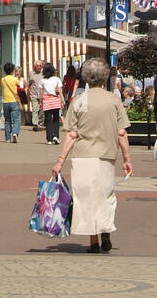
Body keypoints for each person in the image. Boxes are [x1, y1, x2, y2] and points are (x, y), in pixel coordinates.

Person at [52, 57, 132, 254]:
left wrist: (60, 161)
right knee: (106, 196)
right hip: (106, 155)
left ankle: (93, 241)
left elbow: (72, 134)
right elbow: (122, 133)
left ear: (86, 78)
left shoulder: (79, 101)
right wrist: (127, 159)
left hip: (83, 157)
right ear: (105, 78)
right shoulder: (114, 100)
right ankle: (105, 231)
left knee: (86, 198)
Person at [40, 63, 65, 144]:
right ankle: (56, 136)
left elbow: (41, 93)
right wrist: (62, 100)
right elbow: (60, 91)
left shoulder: (43, 80)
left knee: (48, 120)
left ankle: (49, 139)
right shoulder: (57, 79)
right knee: (56, 119)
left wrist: (41, 102)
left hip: (46, 100)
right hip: (55, 100)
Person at [0, 63, 23, 144]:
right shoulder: (15, 79)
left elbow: (2, 85)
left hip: (5, 102)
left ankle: (8, 138)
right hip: (14, 101)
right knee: (16, 119)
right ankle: (14, 133)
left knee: (7, 121)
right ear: (13, 71)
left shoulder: (3, 79)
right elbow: (20, 86)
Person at [28, 64, 45, 131]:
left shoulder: (44, 74)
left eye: (40, 66)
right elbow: (29, 84)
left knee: (42, 111)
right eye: (37, 66)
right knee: (35, 109)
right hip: (34, 95)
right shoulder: (31, 74)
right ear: (34, 66)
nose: (38, 67)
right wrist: (28, 94)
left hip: (42, 95)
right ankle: (35, 124)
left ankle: (40, 124)